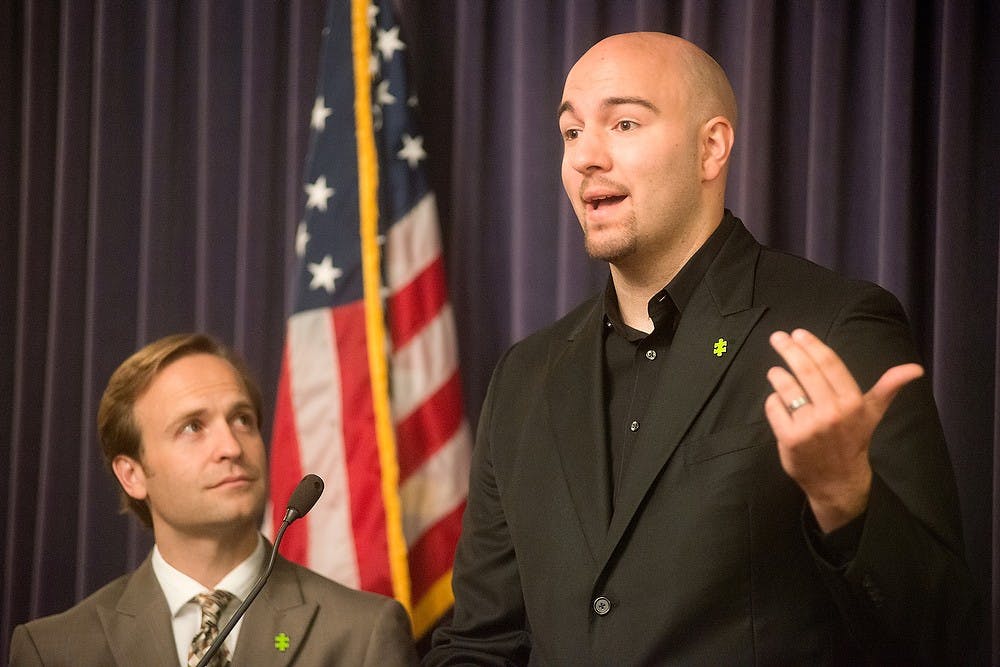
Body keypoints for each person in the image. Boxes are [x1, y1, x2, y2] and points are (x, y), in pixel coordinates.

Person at [425, 32, 979, 665]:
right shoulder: (525, 375)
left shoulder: (834, 326)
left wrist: (844, 497)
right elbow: (481, 643)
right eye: (571, 132)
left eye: (624, 123)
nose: (585, 157)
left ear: (711, 148)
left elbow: (947, 635)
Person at [9, 333, 418, 666]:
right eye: (192, 427)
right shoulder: (54, 650)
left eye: (242, 419)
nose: (231, 446)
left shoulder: (364, 633)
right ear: (132, 475)